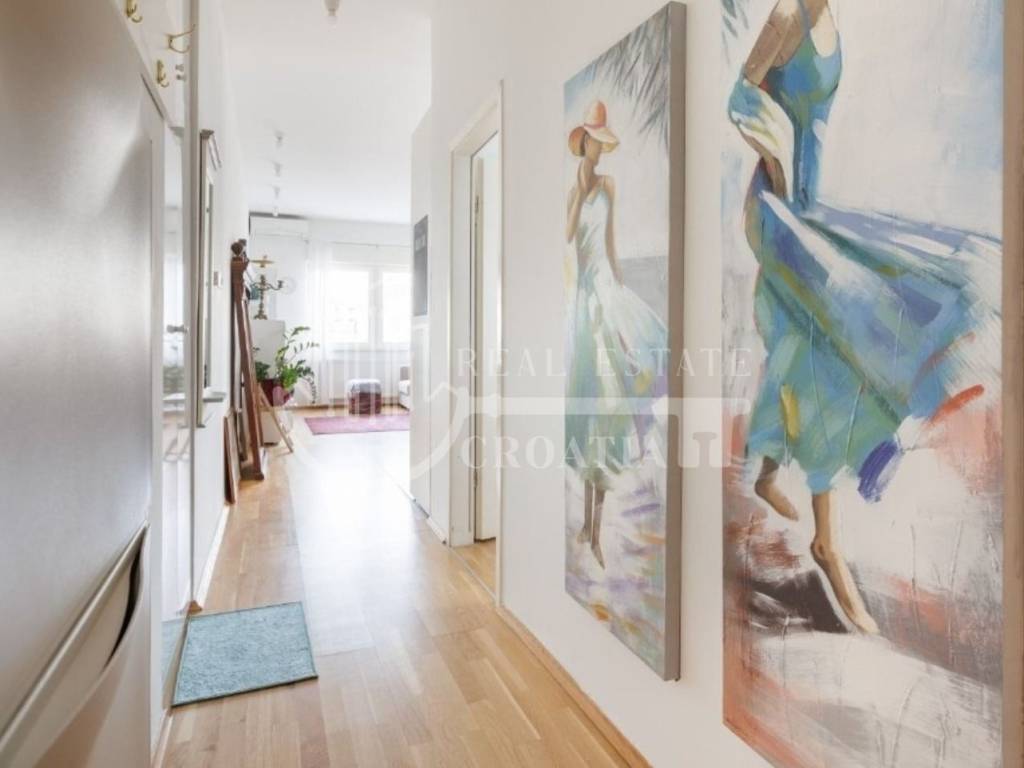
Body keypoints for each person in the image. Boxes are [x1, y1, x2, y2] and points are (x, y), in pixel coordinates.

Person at [730, 0, 998, 633]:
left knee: (805, 341)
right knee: (827, 346)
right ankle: (827, 542)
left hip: (810, 204)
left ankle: (766, 465)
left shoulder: (831, 18)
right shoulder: (788, 14)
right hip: (778, 207)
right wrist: (774, 160)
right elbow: (740, 95)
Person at [565, 100, 666, 569]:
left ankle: (596, 528)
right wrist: (578, 188)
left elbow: (609, 243)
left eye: (604, 144)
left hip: (606, 291)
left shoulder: (609, 185)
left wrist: (621, 286)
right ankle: (588, 527)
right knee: (590, 408)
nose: (600, 150)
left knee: (608, 406)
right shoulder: (578, 189)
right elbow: (569, 236)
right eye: (595, 142)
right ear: (583, 142)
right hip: (585, 299)